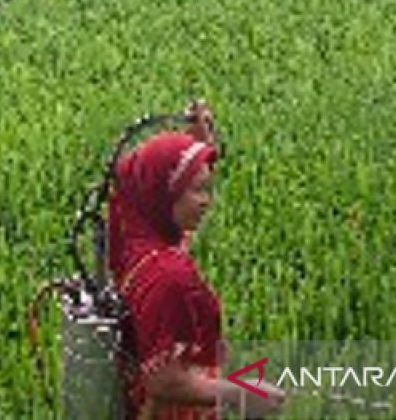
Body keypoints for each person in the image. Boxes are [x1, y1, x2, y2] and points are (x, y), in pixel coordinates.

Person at [108, 101, 286, 419]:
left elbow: (135, 178)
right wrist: (238, 394)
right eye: (198, 190)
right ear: (165, 194)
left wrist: (196, 145)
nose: (207, 201)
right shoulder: (169, 276)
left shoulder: (133, 238)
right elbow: (165, 381)